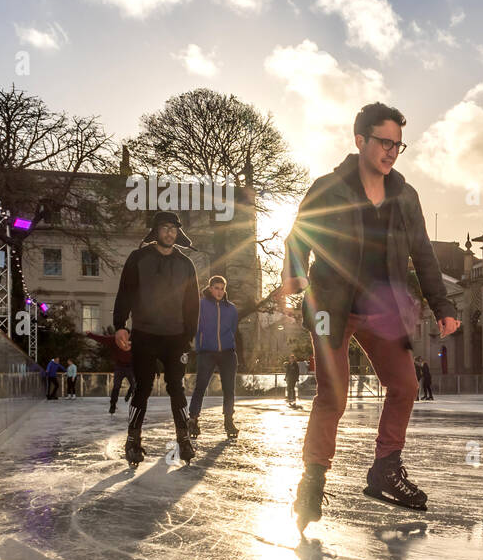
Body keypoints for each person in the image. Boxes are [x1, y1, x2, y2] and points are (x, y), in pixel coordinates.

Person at [282, 101, 459, 529]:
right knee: (334, 395)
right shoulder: (329, 187)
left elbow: (424, 254)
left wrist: (444, 306)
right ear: (360, 140)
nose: (392, 152)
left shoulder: (406, 195)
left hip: (383, 311)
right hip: (331, 308)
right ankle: (313, 479)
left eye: (399, 145)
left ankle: (385, 469)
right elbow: (297, 237)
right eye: (384, 142)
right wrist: (295, 280)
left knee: (405, 385)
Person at [114, 210, 200, 465]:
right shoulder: (138, 258)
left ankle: (183, 440)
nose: (169, 232)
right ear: (156, 231)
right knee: (142, 387)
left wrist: (189, 335)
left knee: (177, 387)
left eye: (174, 228)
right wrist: (120, 325)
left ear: (178, 232)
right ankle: (133, 441)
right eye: (164, 227)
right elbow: (125, 293)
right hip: (144, 333)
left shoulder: (186, 264)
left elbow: (192, 303)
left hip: (176, 337)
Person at [187, 275, 240, 439]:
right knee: (201, 386)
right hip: (207, 352)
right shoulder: (200, 305)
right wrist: (196, 344)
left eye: (222, 288)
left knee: (229, 389)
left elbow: (233, 328)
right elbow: (194, 327)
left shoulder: (231, 309)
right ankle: (193, 419)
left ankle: (228, 420)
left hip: (227, 353)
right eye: (216, 288)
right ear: (210, 289)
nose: (219, 291)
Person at [87, 328, 136, 413]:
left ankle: (129, 394)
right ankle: (113, 405)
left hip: (131, 367)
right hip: (119, 367)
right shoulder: (114, 339)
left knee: (134, 385)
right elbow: (102, 339)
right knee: (116, 386)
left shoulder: (134, 341)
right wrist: (90, 335)